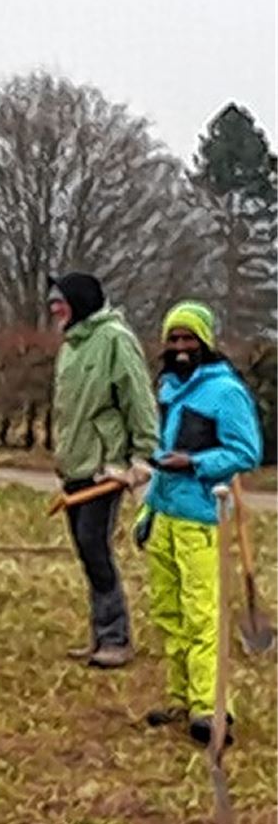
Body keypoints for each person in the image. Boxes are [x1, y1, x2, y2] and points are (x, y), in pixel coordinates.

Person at [140, 301, 262, 747]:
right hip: (167, 515)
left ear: (205, 341)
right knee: (169, 612)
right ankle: (180, 697)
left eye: (188, 338)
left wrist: (194, 461)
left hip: (203, 518)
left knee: (201, 614)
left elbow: (246, 452)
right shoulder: (171, 387)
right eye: (173, 339)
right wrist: (148, 510)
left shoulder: (225, 392)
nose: (180, 347)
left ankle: (211, 708)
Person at [48, 272, 159, 669]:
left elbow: (137, 397)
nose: (53, 308)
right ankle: (99, 635)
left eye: (59, 300)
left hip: (104, 469)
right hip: (75, 466)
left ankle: (116, 638)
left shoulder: (115, 339)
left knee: (94, 546)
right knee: (85, 548)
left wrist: (142, 456)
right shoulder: (71, 345)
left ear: (80, 301)